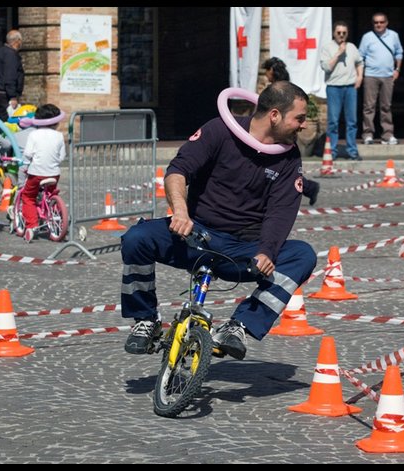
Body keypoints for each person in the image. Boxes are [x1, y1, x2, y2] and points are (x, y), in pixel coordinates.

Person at [121, 81, 318, 360]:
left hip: (242, 250)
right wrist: (179, 211)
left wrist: (268, 250)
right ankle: (145, 320)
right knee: (136, 238)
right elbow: (178, 171)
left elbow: (282, 210)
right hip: (195, 235)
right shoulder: (219, 130)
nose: (304, 125)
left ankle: (238, 326)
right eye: (299, 118)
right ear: (274, 115)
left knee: (303, 255)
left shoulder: (289, 158)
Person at [262, 57, 321, 206]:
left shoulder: (280, 90)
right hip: (277, 134)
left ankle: (309, 187)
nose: (265, 75)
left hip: (281, 133)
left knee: (283, 168)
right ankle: (309, 187)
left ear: (272, 71)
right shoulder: (283, 87)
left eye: (266, 71)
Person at [20, 104, 66, 243]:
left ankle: (32, 225)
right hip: (53, 173)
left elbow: (28, 154)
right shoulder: (59, 135)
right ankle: (55, 214)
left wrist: (28, 162)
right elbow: (62, 157)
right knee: (52, 194)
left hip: (36, 173)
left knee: (28, 196)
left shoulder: (33, 134)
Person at [320, 21, 364, 161]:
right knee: (333, 121)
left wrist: (360, 77)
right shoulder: (327, 48)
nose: (341, 35)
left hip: (350, 87)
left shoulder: (352, 47)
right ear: (334, 33)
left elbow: (360, 62)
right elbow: (326, 67)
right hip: (334, 87)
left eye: (344, 33)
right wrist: (339, 53)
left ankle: (352, 151)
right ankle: (332, 151)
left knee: (352, 121)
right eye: (339, 33)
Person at [358, 12, 403, 146]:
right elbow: (360, 57)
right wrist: (361, 74)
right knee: (369, 107)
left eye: (381, 22)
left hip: (388, 75)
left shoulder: (394, 36)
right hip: (371, 75)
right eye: (376, 22)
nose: (379, 25)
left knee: (386, 107)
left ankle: (387, 135)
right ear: (373, 24)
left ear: (386, 23)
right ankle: (368, 134)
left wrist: (397, 69)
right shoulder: (367, 37)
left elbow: (399, 53)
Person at [0, 30, 24, 122]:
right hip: (5, 94)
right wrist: (12, 96)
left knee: (0, 120)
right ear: (17, 41)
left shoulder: (0, 52)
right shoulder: (10, 54)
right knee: (8, 122)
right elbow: (10, 76)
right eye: (20, 41)